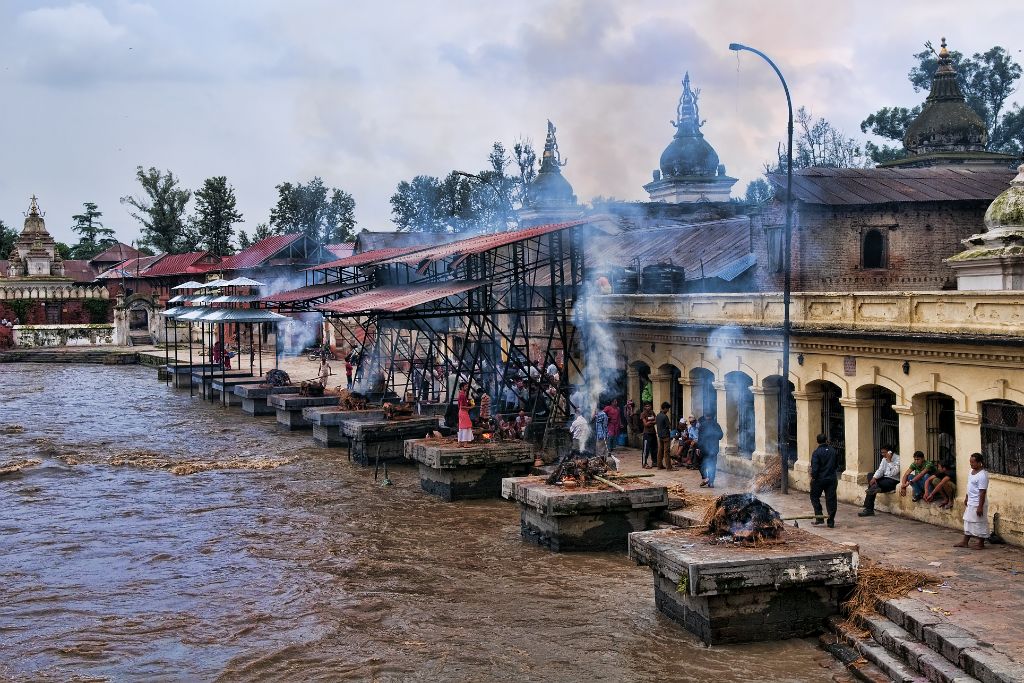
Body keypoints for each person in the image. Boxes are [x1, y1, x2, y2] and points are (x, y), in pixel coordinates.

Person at [955, 453, 989, 549]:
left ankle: (980, 543)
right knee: (968, 521)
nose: (971, 464)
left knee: (980, 522)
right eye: (970, 462)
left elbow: (982, 492)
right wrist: (967, 497)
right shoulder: (971, 471)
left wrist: (980, 506)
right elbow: (969, 486)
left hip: (978, 502)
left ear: (979, 463)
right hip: (971, 501)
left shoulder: (983, 475)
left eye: (973, 462)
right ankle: (965, 541)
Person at [858, 446, 901, 517]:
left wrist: (889, 461)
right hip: (884, 478)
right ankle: (875, 487)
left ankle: (869, 509)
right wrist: (874, 478)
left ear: (890, 452)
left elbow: (893, 473)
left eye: (884, 452)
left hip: (893, 480)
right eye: (882, 452)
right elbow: (880, 470)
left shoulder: (898, 459)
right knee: (870, 475)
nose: (882, 454)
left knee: (873, 486)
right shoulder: (884, 459)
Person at [809, 434, 840, 528]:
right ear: (826, 440)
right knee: (831, 500)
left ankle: (819, 517)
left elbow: (815, 468)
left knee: (814, 497)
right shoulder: (833, 451)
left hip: (819, 479)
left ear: (817, 441)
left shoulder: (816, 452)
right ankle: (831, 521)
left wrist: (813, 477)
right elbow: (836, 465)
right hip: (831, 479)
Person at [698, 414, 723, 487]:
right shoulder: (716, 425)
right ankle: (711, 481)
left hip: (704, 449)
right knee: (712, 465)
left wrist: (698, 447)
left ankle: (706, 478)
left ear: (705, 417)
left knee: (702, 464)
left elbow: (700, 438)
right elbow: (720, 436)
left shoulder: (702, 425)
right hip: (714, 449)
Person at [655, 402, 673, 470]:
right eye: (667, 409)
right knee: (666, 452)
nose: (668, 410)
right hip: (666, 436)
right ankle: (669, 467)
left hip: (660, 435)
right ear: (665, 408)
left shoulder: (658, 415)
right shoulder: (665, 416)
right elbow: (669, 425)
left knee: (660, 451)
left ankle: (659, 466)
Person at [457, 381, 474, 447]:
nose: (467, 387)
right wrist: (470, 407)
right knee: (466, 427)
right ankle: (465, 443)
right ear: (462, 387)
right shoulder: (462, 395)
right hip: (463, 412)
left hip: (462, 412)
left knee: (462, 427)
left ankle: (460, 443)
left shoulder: (462, 394)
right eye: (465, 386)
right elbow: (462, 406)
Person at [640, 403, 657, 468]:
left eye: (649, 406)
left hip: (653, 432)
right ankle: (644, 463)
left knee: (654, 448)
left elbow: (656, 421)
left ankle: (654, 462)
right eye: (646, 406)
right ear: (644, 407)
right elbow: (645, 424)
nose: (648, 407)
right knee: (646, 449)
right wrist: (652, 422)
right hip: (647, 433)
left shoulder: (652, 412)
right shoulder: (643, 414)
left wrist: (650, 422)